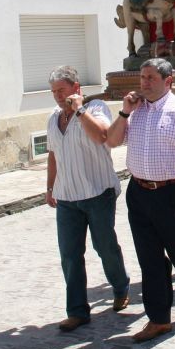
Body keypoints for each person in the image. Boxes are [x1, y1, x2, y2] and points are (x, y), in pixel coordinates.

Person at [105, 59, 175, 342]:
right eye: (142, 77)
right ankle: (159, 319)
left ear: (168, 81)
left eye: (151, 77)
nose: (145, 82)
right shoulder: (135, 110)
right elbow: (112, 141)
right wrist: (124, 112)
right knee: (149, 258)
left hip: (173, 193)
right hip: (139, 193)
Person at [45, 66, 130, 332]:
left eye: (62, 90)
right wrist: (50, 188)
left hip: (97, 192)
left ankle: (120, 286)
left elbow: (103, 136)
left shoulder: (96, 109)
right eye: (54, 92)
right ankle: (77, 311)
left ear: (76, 87)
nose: (58, 96)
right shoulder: (53, 119)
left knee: (105, 247)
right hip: (67, 197)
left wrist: (80, 111)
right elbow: (52, 154)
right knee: (70, 255)